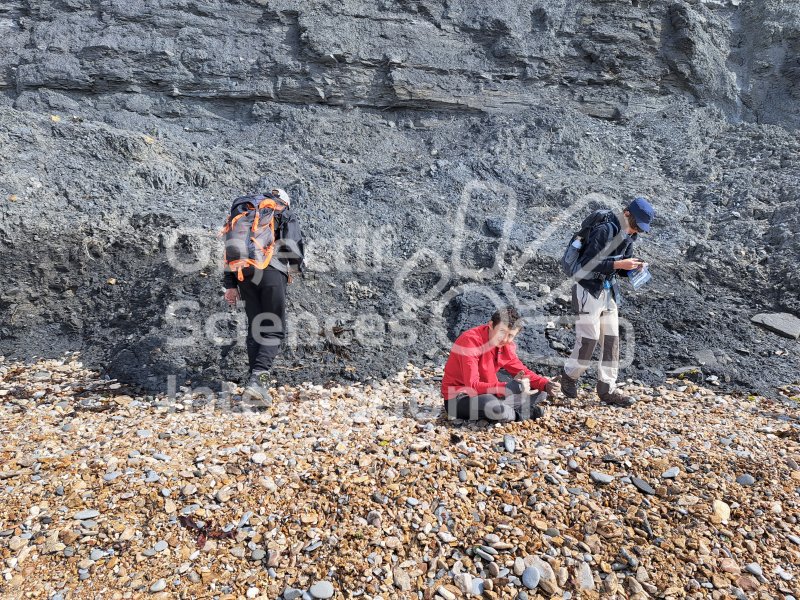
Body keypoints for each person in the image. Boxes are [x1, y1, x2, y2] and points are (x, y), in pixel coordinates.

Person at [560, 197, 655, 407]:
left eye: (641, 229)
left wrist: (632, 268)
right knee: (589, 340)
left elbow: (618, 270)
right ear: (626, 213)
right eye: (635, 226)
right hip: (587, 289)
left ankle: (606, 388)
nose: (636, 231)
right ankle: (569, 376)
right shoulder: (604, 229)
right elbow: (588, 263)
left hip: (609, 292)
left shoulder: (630, 237)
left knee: (612, 340)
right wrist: (620, 263)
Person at [223, 187, 304, 406]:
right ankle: (259, 382)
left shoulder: (245, 212)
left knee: (255, 328)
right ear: (284, 203)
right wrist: (295, 268)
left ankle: (255, 387)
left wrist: (230, 285)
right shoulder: (283, 212)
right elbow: (292, 246)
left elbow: (230, 250)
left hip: (244, 274)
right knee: (274, 328)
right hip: (270, 271)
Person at [441, 306, 562, 422]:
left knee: (541, 392)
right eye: (502, 332)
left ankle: (507, 409)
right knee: (491, 404)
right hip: (459, 398)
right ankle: (522, 413)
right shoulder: (470, 341)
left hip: (490, 393)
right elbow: (472, 386)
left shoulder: (505, 346)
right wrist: (506, 388)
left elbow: (523, 371)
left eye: (510, 335)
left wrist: (546, 384)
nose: (504, 339)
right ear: (490, 325)